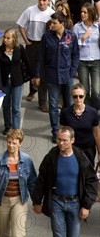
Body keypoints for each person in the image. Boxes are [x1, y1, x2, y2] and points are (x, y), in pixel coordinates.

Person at [33, 126, 98, 237]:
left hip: (75, 203)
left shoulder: (80, 157)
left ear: (72, 140)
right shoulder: (51, 157)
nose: (61, 143)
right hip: (56, 202)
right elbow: (41, 179)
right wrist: (37, 201)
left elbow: (91, 181)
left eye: (64, 140)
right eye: (59, 140)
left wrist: (86, 205)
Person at [34, 12, 80, 143]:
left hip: (67, 75)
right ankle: (55, 131)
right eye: (51, 23)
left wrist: (72, 71)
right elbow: (40, 57)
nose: (51, 25)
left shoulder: (71, 36)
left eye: (54, 23)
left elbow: (75, 55)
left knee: (69, 103)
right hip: (52, 75)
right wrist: (37, 75)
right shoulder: (46, 37)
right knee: (53, 105)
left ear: (62, 24)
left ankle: (67, 130)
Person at [17, 0, 53, 111]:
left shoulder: (51, 14)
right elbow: (20, 25)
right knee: (32, 69)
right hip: (32, 44)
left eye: (44, 0)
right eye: (40, 0)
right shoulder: (30, 11)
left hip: (44, 46)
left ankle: (42, 102)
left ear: (48, 1)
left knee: (42, 71)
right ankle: (32, 90)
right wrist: (26, 40)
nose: (42, 2)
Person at [0, 29, 33, 134]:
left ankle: (16, 131)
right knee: (6, 106)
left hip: (17, 81)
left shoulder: (19, 49)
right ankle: (8, 126)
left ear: (14, 39)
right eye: (4, 37)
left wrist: (34, 77)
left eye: (8, 38)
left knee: (16, 107)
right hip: (5, 82)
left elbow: (27, 62)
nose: (5, 40)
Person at [60, 84, 100, 165]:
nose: (78, 99)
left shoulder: (93, 113)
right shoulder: (65, 113)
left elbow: (96, 134)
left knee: (88, 175)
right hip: (71, 150)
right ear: (72, 97)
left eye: (81, 96)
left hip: (89, 150)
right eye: (75, 96)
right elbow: (61, 134)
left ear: (85, 96)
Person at [72, 3, 100, 109]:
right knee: (85, 90)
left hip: (96, 60)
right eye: (81, 12)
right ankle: (87, 111)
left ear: (91, 13)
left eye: (85, 12)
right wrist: (82, 38)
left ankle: (96, 111)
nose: (82, 14)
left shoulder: (97, 26)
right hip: (82, 61)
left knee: (96, 91)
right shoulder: (77, 27)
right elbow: (73, 47)